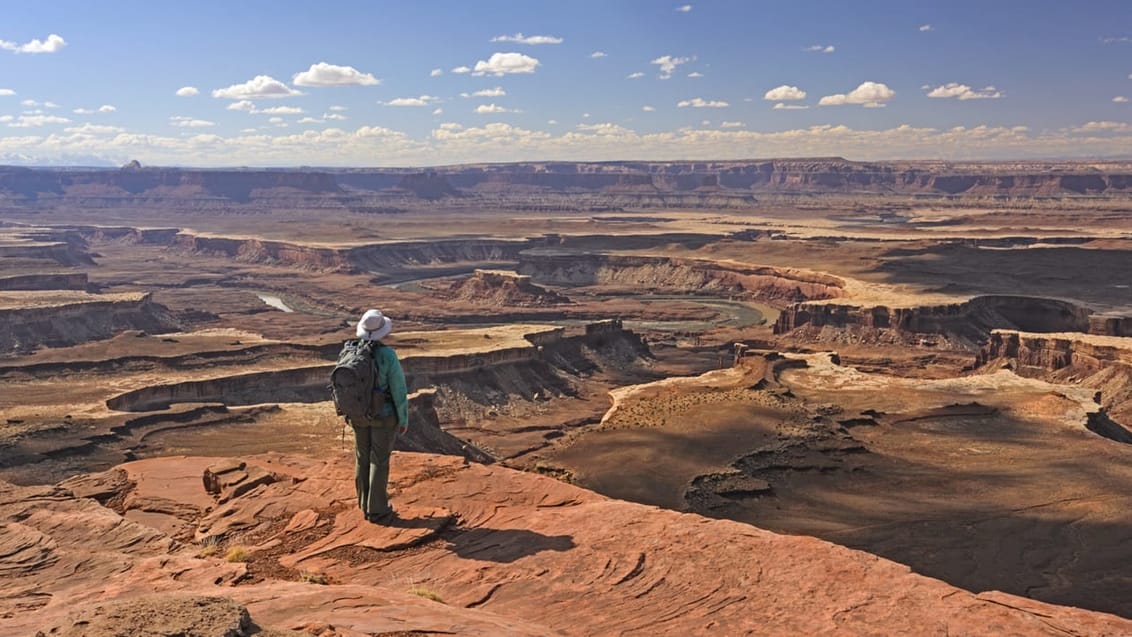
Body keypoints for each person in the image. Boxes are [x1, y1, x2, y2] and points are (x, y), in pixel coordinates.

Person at [350, 309, 409, 523]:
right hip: (383, 416)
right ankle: (377, 509)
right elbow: (398, 390)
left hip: (358, 415)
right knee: (379, 460)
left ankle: (363, 503)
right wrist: (403, 419)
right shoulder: (387, 355)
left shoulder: (350, 350)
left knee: (361, 457)